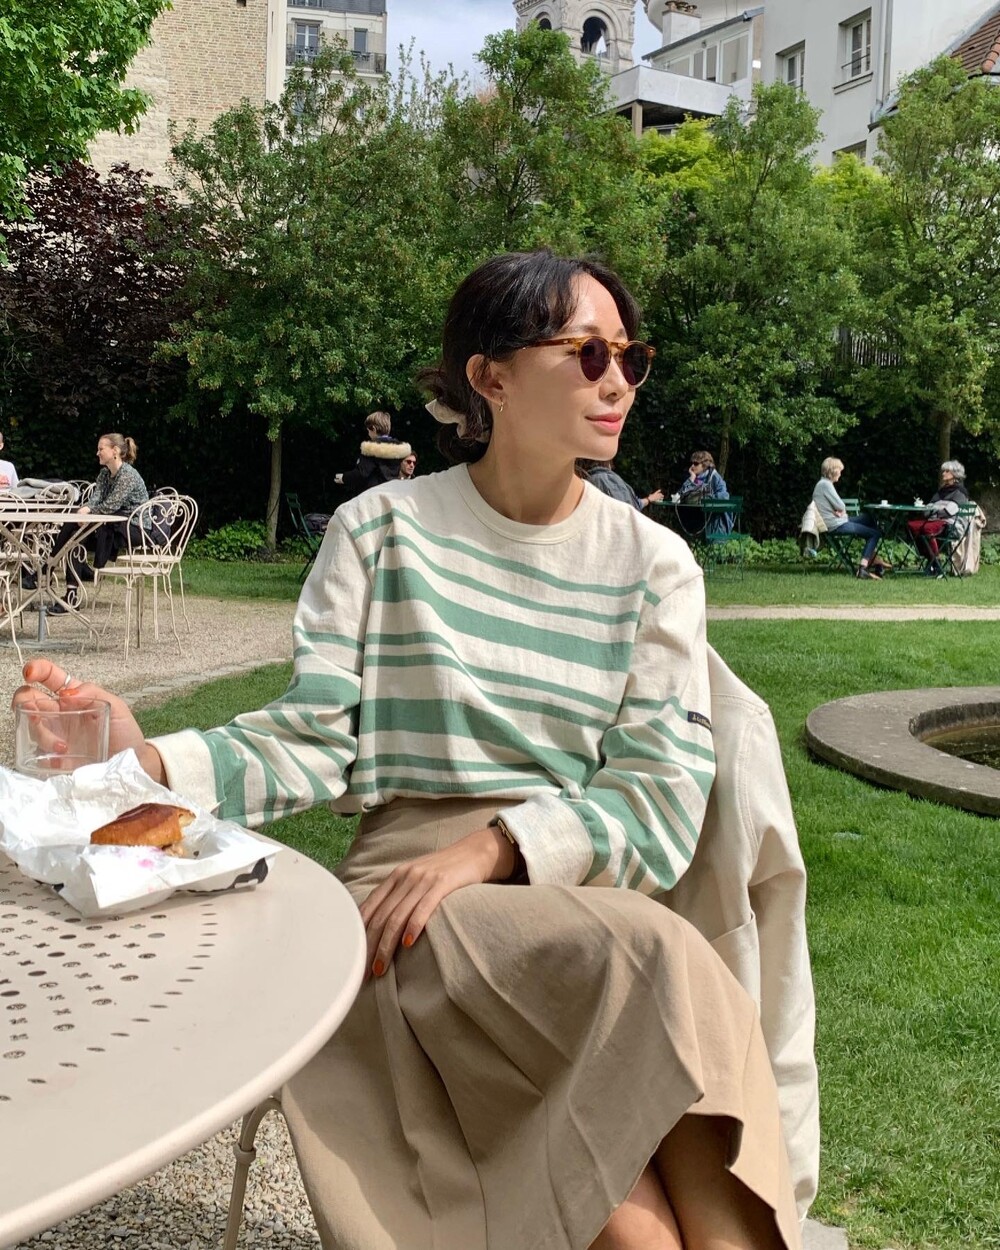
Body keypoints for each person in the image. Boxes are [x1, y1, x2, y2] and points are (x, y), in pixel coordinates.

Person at [16, 251, 802, 1250]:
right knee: (655, 1004)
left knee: (644, 1100)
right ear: (489, 377)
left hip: (576, 909)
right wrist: (145, 761)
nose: (618, 382)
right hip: (407, 913)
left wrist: (493, 848)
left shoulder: (653, 563)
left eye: (630, 357)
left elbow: (660, 796)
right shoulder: (379, 532)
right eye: (588, 353)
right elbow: (311, 739)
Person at [49, 432, 150, 614]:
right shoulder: (105, 474)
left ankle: (47, 568)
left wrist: (87, 513)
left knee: (77, 525)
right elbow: (96, 500)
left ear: (115, 451)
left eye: (101, 449)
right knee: (75, 537)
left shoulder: (127, 475)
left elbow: (111, 505)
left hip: (134, 528)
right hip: (111, 524)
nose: (97, 453)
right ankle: (71, 595)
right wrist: (86, 509)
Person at [812, 457, 884, 579]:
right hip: (836, 525)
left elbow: (834, 507)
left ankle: (872, 558)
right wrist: (839, 510)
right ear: (833, 471)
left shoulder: (822, 484)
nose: (840, 474)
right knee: (875, 534)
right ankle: (863, 568)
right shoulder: (826, 485)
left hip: (837, 521)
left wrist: (838, 511)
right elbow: (841, 505)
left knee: (869, 518)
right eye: (839, 471)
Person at [906, 460, 970, 578]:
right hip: (937, 521)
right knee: (912, 525)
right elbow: (929, 508)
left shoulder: (960, 492)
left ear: (955, 474)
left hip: (952, 525)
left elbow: (949, 511)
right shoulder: (942, 490)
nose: (943, 473)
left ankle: (936, 564)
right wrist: (933, 511)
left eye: (947, 471)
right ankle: (932, 560)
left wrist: (934, 512)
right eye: (943, 471)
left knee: (927, 528)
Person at [335, 411, 412, 498]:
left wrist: (344, 478)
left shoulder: (371, 448)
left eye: (368, 430)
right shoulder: (399, 449)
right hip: (392, 494)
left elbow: (362, 474)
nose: (368, 434)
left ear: (374, 429)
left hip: (372, 496)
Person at [676, 450, 731, 536]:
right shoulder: (694, 477)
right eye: (692, 463)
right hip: (695, 519)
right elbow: (679, 495)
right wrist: (691, 479)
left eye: (696, 463)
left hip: (713, 522)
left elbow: (724, 496)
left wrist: (707, 499)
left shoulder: (715, 477)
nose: (692, 466)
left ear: (704, 465)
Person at [583, 459, 664, 510]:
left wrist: (649, 499)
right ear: (607, 463)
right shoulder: (605, 479)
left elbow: (633, 505)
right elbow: (627, 509)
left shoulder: (587, 481)